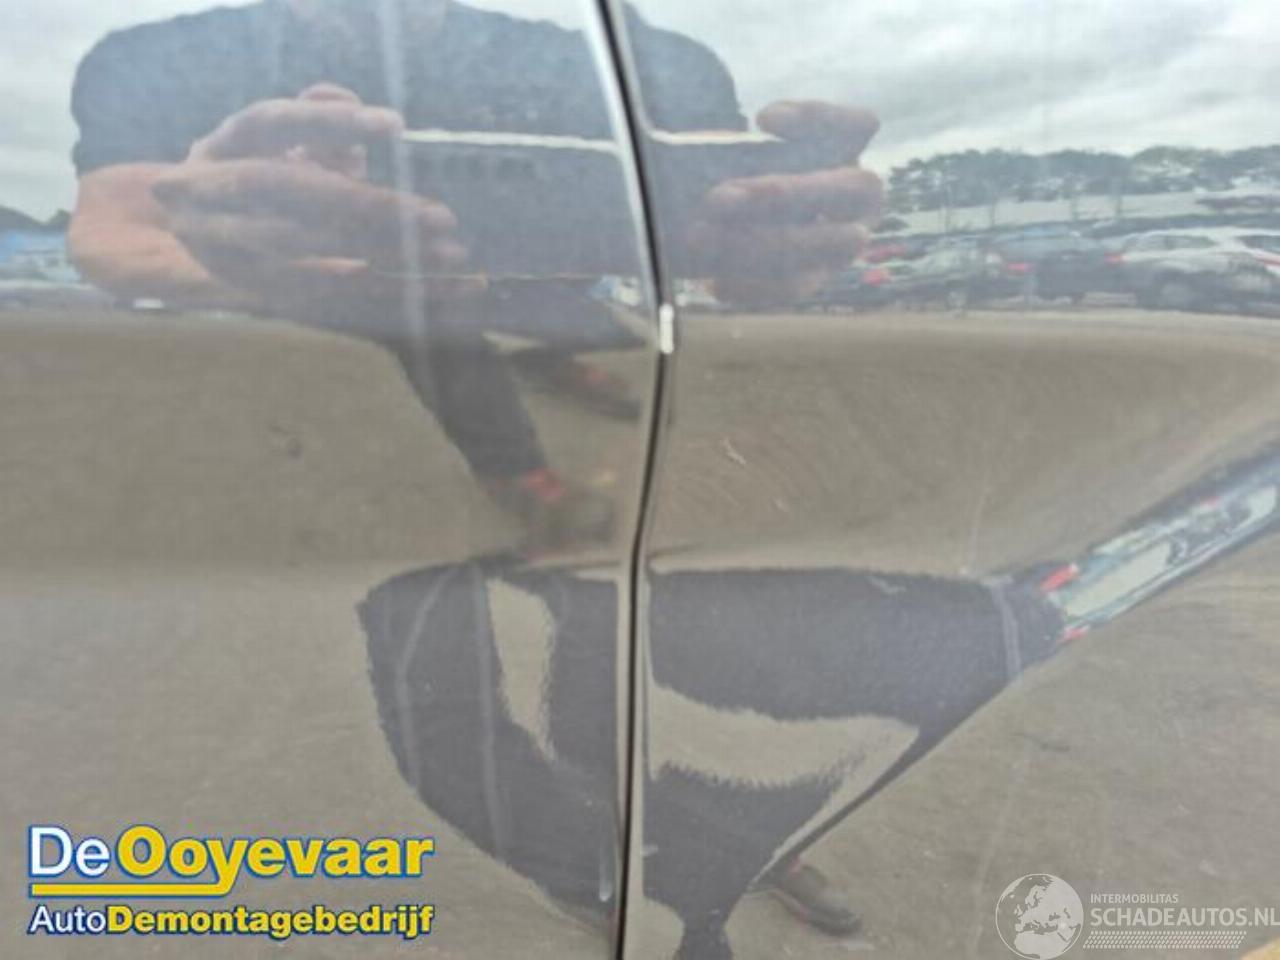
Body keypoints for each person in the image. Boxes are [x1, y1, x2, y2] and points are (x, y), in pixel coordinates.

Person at [66, 0, 881, 935]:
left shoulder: (634, 61)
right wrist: (231, 253)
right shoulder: (164, 59)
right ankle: (613, 888)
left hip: (588, 418)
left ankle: (742, 839)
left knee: (640, 671)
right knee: (446, 711)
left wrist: (787, 247)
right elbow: (112, 235)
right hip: (389, 440)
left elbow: (729, 254)